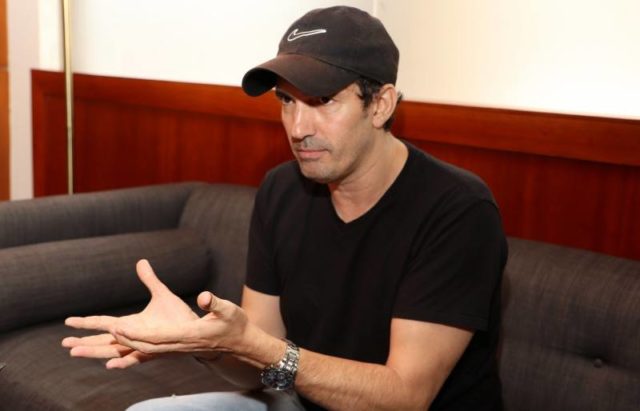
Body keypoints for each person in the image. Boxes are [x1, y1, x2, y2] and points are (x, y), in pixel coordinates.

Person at [62, 6, 507, 411]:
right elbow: (256, 363)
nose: (297, 128)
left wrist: (262, 350)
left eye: (322, 101)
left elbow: (404, 397)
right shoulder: (282, 189)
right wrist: (203, 342)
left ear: (381, 105)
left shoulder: (457, 210)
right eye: (286, 101)